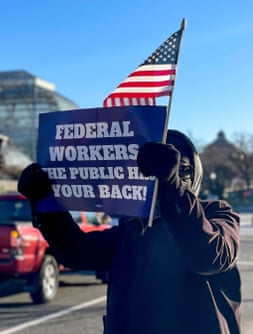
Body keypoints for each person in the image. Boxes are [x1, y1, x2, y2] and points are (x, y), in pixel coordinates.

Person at [18, 129, 241, 334]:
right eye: (150, 172)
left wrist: (172, 187)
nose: (157, 180)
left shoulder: (217, 214)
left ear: (193, 175)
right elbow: (76, 251)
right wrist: (45, 203)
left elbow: (209, 257)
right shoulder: (131, 228)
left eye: (179, 170)